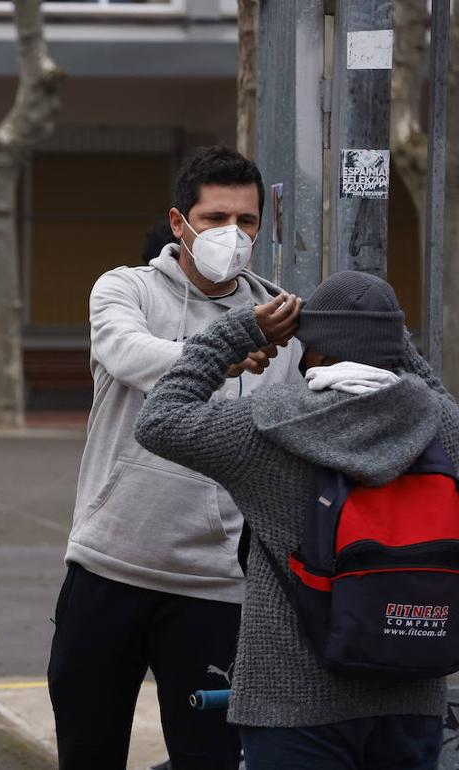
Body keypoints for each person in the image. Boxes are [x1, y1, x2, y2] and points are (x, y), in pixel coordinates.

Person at [135, 271, 456, 769]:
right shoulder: (442, 427)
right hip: (412, 695)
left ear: (316, 352)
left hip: (291, 703)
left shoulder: (267, 426)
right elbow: (432, 391)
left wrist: (238, 332)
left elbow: (161, 419)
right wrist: (391, 339)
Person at [48, 146, 304, 769]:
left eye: (245, 221)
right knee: (88, 754)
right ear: (178, 222)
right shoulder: (123, 288)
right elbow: (132, 357)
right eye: (215, 218)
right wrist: (226, 347)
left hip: (216, 588)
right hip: (109, 565)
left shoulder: (279, 318)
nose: (231, 235)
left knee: (210, 760)